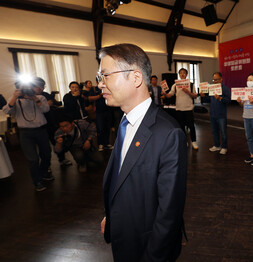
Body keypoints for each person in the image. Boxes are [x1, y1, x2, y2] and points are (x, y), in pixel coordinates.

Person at [98, 43, 187, 261]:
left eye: (106, 76)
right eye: (99, 76)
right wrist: (112, 215)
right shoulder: (125, 121)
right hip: (123, 233)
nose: (100, 84)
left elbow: (169, 212)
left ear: (136, 78)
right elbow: (123, 178)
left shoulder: (168, 133)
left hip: (146, 245)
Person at [2, 77, 53, 191]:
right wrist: (15, 96)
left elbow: (46, 109)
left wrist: (34, 98)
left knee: (46, 154)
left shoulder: (40, 97)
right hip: (26, 133)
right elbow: (6, 111)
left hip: (41, 130)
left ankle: (44, 172)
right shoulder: (16, 99)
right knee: (33, 159)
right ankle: (37, 181)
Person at [32, 77, 72, 167]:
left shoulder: (45, 94)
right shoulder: (27, 97)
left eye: (42, 86)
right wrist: (45, 104)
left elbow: (57, 104)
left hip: (50, 122)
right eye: (39, 86)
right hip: (38, 125)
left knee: (58, 140)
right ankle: (46, 166)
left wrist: (52, 102)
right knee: (43, 147)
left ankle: (62, 159)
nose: (41, 88)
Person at [163, 68, 199, 150]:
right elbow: (170, 95)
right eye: (181, 73)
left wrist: (188, 92)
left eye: (184, 73)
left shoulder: (191, 84)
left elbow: (195, 96)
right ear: (179, 75)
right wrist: (165, 94)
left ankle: (194, 141)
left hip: (188, 108)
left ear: (186, 74)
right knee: (181, 126)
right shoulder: (175, 85)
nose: (182, 75)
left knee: (191, 126)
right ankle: (184, 141)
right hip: (179, 108)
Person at [199, 72, 231, 154]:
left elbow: (228, 101)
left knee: (223, 132)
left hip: (221, 114)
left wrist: (220, 98)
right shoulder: (211, 88)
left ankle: (224, 147)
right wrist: (203, 96)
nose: (215, 81)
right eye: (214, 79)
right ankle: (217, 146)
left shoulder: (225, 88)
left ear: (221, 79)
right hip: (212, 113)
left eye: (217, 79)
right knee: (214, 131)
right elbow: (208, 99)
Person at [87, 82, 114, 151]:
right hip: (99, 112)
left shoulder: (108, 87)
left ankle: (107, 143)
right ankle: (100, 144)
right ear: (97, 82)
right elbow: (89, 98)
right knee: (100, 128)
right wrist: (100, 95)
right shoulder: (94, 89)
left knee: (107, 128)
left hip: (108, 110)